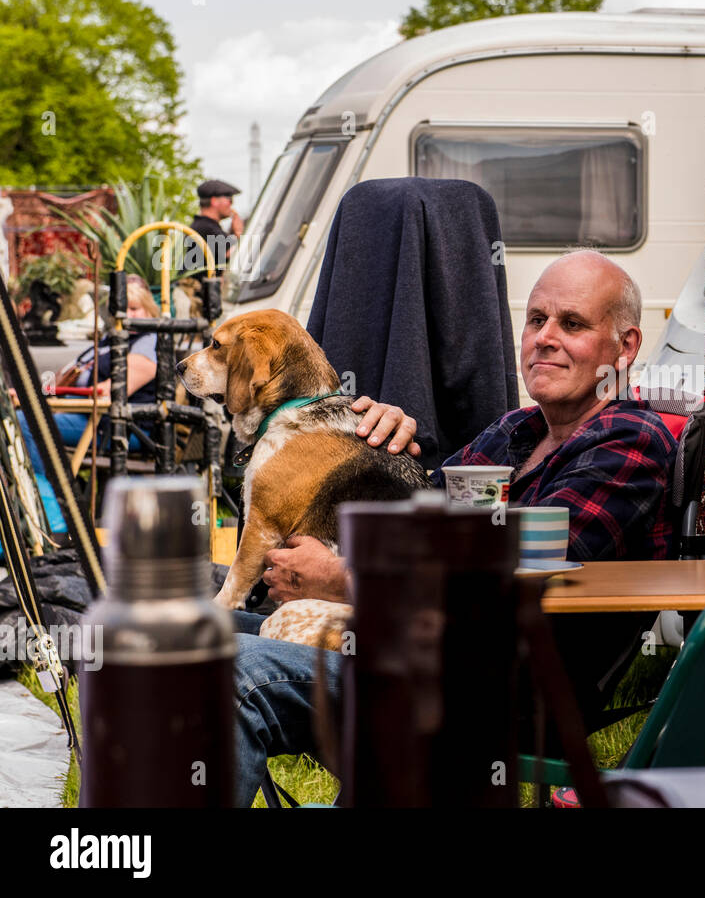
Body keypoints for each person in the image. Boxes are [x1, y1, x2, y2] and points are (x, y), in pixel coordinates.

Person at [229, 250, 678, 805]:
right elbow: (407, 511)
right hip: (405, 646)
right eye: (536, 320)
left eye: (574, 324)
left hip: (483, 690)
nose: (545, 337)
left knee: (224, 675)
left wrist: (343, 578)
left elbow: (529, 565)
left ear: (626, 346)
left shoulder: (630, 440)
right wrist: (375, 440)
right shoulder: (515, 431)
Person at [14, 276, 160, 533]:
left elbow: (110, 392)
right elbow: (57, 378)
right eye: (122, 308)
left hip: (121, 428)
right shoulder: (106, 342)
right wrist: (29, 393)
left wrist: (74, 390)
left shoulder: (147, 343)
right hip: (85, 416)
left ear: (149, 310)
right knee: (14, 418)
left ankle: (51, 514)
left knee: (28, 425)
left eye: (135, 308)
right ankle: (29, 508)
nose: (127, 314)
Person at [185, 179, 243, 277]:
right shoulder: (207, 228)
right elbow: (237, 254)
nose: (231, 204)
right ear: (214, 201)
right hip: (200, 290)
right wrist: (239, 232)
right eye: (229, 199)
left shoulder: (203, 225)